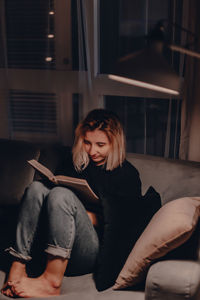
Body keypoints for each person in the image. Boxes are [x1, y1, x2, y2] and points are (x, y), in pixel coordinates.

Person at [1, 109, 148, 298]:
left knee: (61, 195)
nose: (92, 151)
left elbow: (125, 225)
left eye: (101, 145)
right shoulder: (73, 163)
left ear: (115, 143)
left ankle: (51, 282)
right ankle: (18, 266)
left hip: (89, 252)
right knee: (36, 188)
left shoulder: (127, 175)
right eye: (87, 143)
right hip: (51, 239)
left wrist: (91, 217)